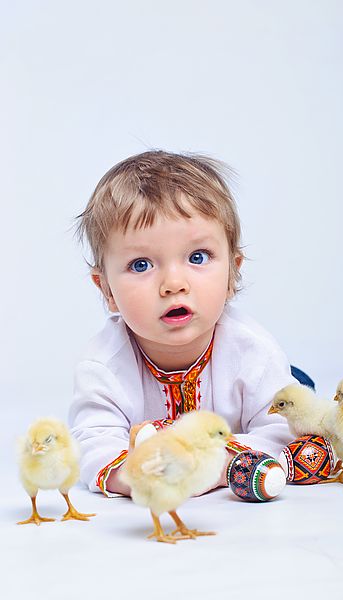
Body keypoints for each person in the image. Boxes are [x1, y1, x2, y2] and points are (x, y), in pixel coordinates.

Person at [69, 150, 298, 497]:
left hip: (265, 392)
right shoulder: (103, 364)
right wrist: (136, 474)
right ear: (107, 291)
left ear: (233, 272)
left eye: (197, 257)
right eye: (141, 265)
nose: (173, 284)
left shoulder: (252, 349)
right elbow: (91, 440)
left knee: (303, 402)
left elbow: (281, 430)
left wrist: (217, 466)